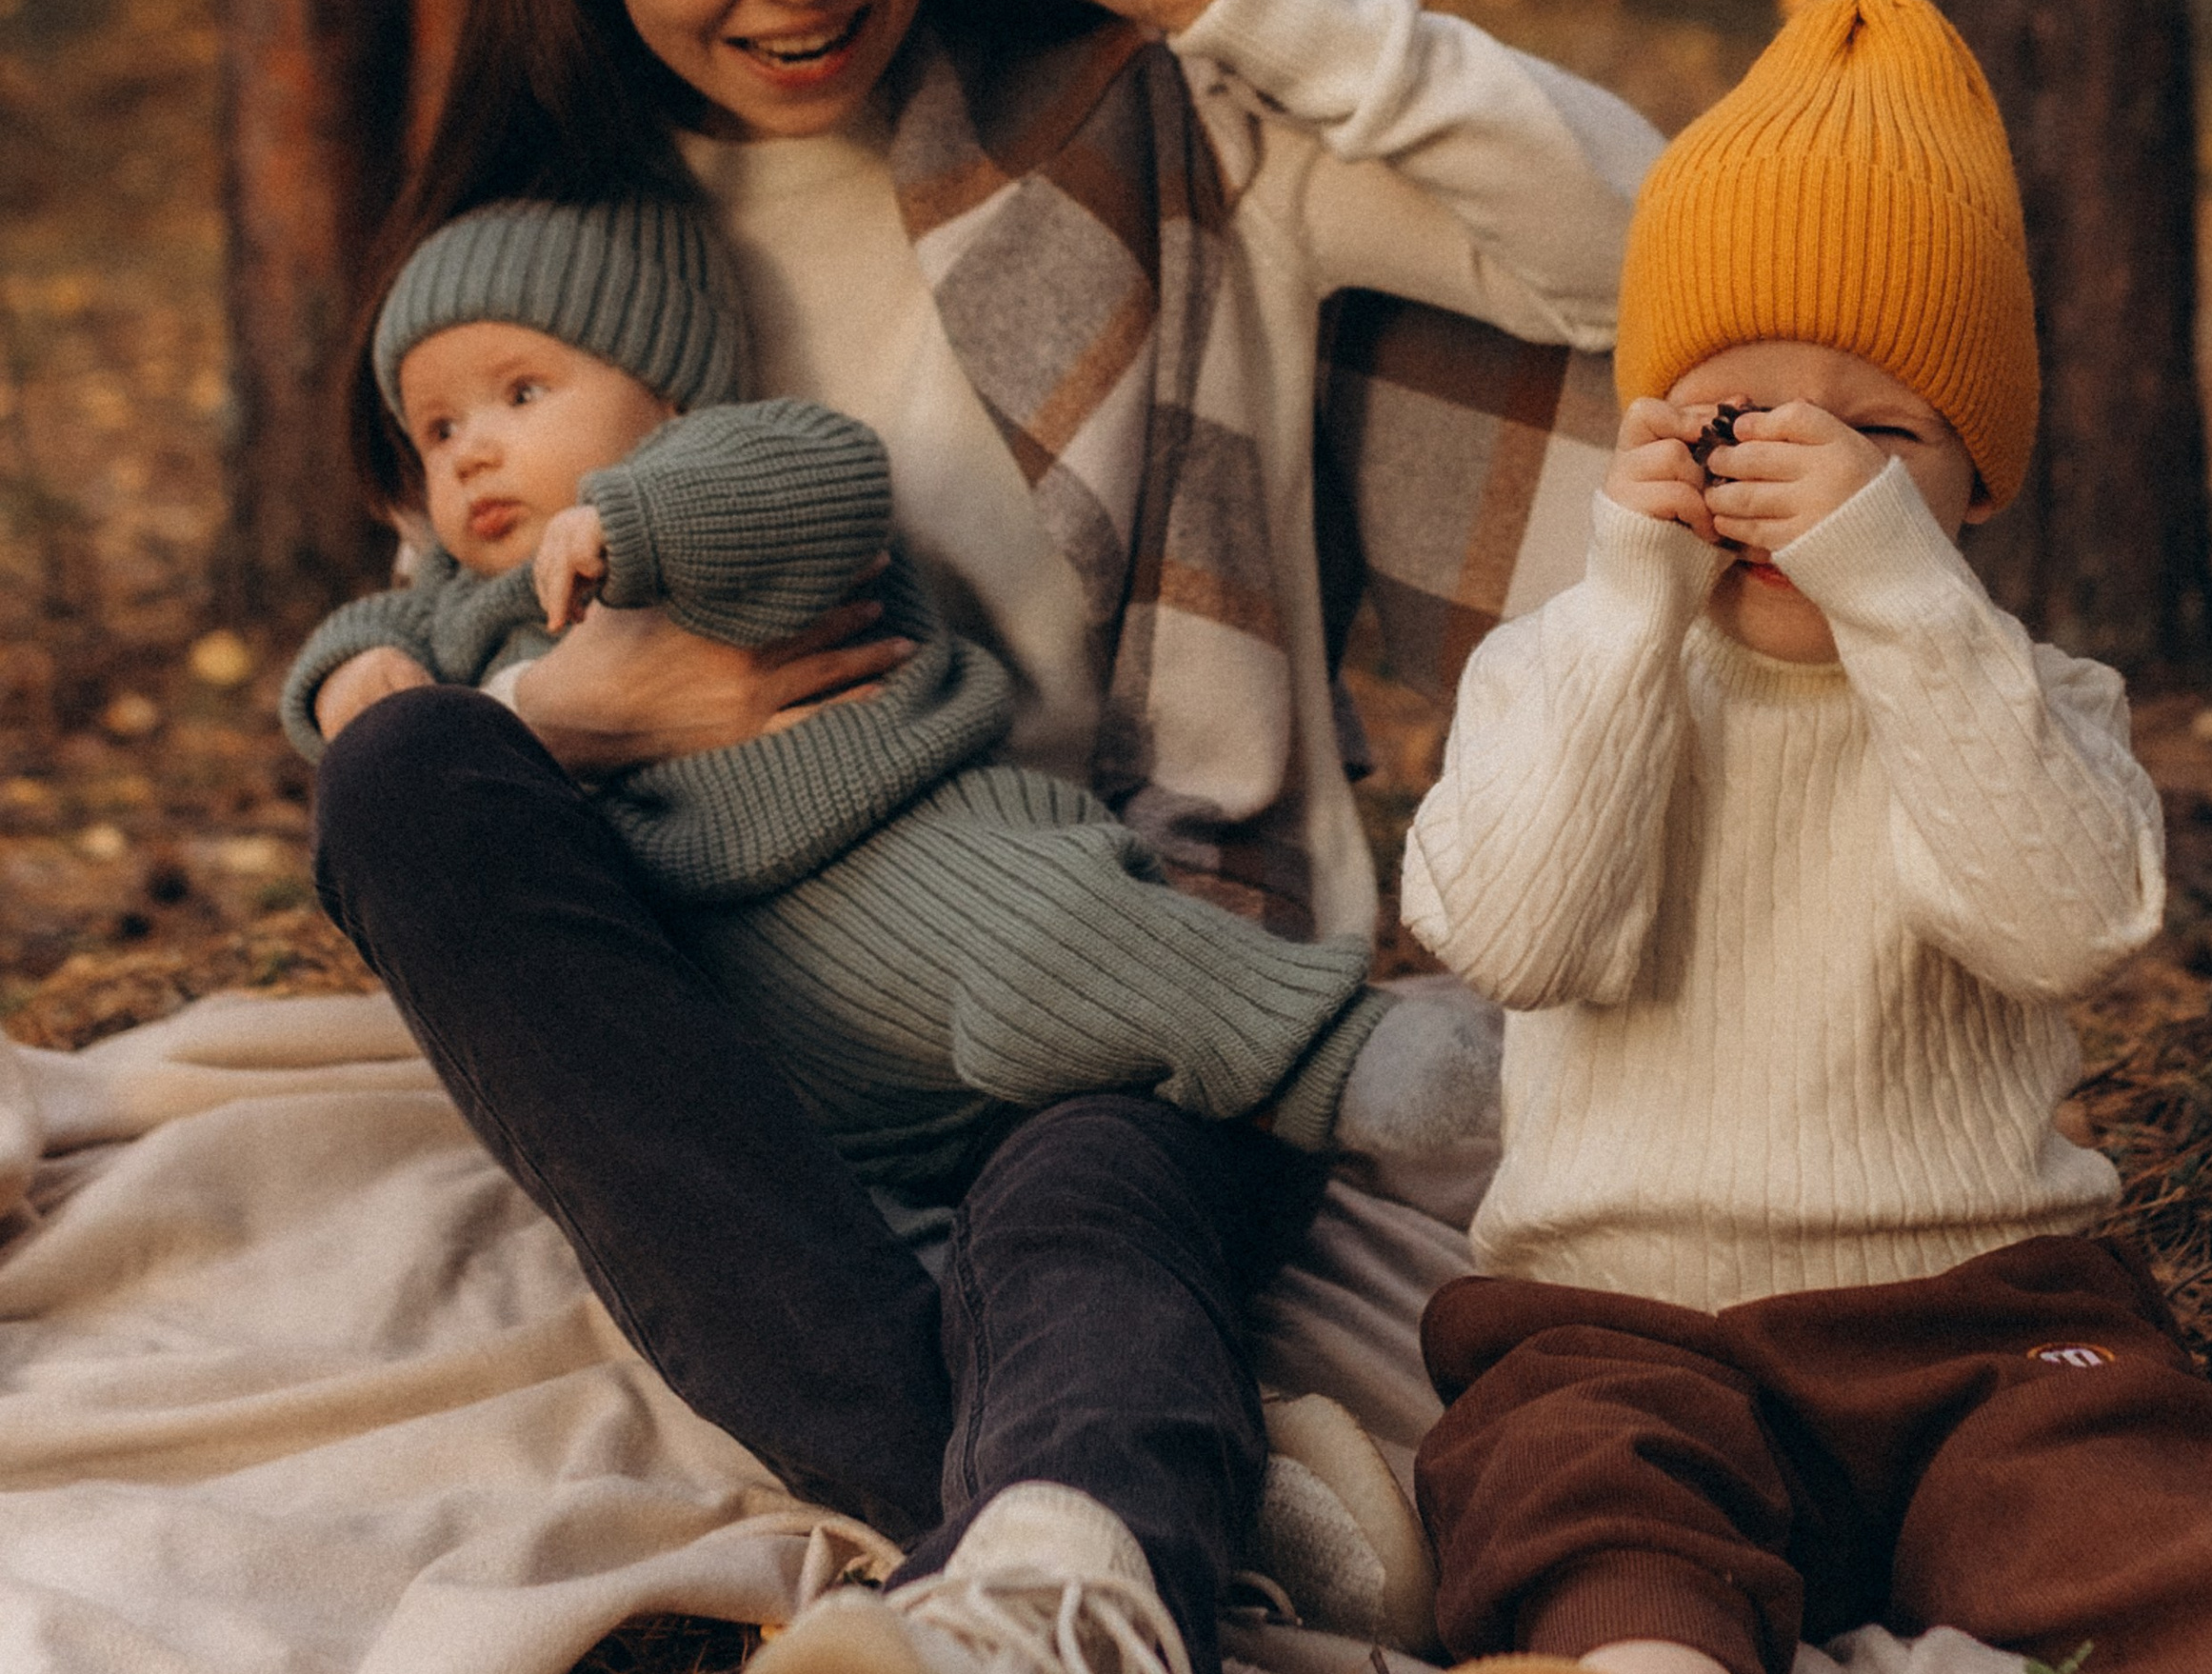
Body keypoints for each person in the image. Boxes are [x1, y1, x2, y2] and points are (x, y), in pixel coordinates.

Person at [309, 0, 1657, 1674]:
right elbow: (412, 674)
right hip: (711, 1028)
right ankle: (1113, 1487)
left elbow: (1654, 254)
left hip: (1123, 945)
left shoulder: (1143, 133)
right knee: (397, 782)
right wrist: (553, 717)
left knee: (1087, 1193)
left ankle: (1047, 1651)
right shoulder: (536, 266)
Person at [1375, 0, 2212, 1674]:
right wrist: (1620, 609)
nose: (1801, 484)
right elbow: (1512, 934)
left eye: (1877, 439)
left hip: (1977, 1319)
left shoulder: (2007, 695)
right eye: (1730, 422)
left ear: (1970, 485)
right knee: (1574, 1485)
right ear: (1647, 435)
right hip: (1631, 1308)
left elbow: (2061, 921)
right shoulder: (1562, 672)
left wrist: (1892, 603)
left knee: (2148, 1492)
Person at [285, 191, 1494, 1193]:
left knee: (1058, 947)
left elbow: (822, 480)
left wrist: (639, 516)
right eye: (436, 430)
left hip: (904, 863)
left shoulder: (721, 461)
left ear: (665, 393)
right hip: (749, 1000)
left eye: (521, 394)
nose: (472, 450)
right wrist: (352, 681)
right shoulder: (455, 598)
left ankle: (1339, 1056)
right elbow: (374, 671)